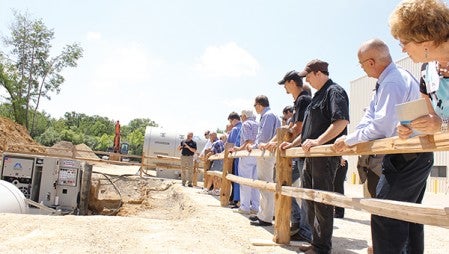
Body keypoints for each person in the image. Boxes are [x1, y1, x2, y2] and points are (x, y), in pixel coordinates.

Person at [332, 39, 434, 254]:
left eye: (361, 64)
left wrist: (349, 140)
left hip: (406, 156)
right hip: (412, 155)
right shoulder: (390, 79)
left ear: (370, 62)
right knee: (409, 215)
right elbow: (371, 115)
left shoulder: (391, 82)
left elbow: (382, 125)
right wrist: (353, 136)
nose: (361, 67)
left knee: (384, 213)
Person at [280, 59, 349, 254]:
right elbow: (307, 132)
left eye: (309, 76)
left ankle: (322, 247)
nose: (307, 81)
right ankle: (315, 242)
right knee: (310, 200)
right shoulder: (316, 97)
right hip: (310, 157)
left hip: (324, 157)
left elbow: (341, 122)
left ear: (319, 73)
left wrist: (319, 142)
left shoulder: (334, 92)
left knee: (322, 202)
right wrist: (292, 143)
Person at [264, 70, 312, 242]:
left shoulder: (303, 99)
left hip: (302, 151)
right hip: (299, 150)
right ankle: (300, 222)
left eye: (285, 84)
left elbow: (297, 128)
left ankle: (303, 226)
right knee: (285, 183)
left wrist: (285, 140)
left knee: (293, 185)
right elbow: (291, 127)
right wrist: (275, 141)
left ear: (292, 82)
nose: (284, 87)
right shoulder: (299, 100)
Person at [247, 95, 281, 227]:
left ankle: (265, 217)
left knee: (265, 184)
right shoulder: (272, 114)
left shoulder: (267, 115)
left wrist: (254, 146)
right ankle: (264, 214)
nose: (255, 108)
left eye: (255, 105)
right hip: (268, 153)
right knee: (265, 184)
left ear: (259, 105)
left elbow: (264, 137)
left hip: (265, 153)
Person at [231, 109, 260, 215]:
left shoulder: (246, 124)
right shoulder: (257, 123)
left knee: (244, 181)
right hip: (257, 154)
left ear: (244, 116)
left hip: (247, 154)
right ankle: (255, 206)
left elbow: (248, 141)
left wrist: (238, 149)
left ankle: (245, 206)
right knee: (255, 182)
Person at [227, 112, 242, 208]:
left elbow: (230, 144)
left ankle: (236, 199)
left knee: (235, 178)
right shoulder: (243, 127)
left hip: (236, 157)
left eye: (230, 121)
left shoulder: (235, 129)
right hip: (245, 156)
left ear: (233, 120)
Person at [205, 132, 225, 196]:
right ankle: (216, 189)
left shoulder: (215, 142)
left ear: (213, 136)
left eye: (210, 136)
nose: (209, 138)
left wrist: (206, 157)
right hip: (223, 161)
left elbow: (212, 152)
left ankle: (208, 189)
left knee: (212, 174)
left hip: (218, 160)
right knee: (218, 176)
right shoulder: (221, 142)